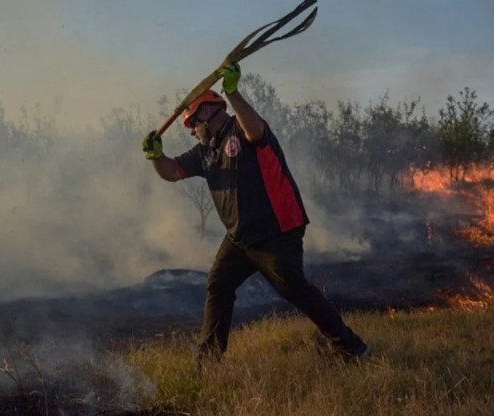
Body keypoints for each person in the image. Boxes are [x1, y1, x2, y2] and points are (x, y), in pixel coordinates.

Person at [141, 63, 370, 363]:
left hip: (276, 230)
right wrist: (157, 157)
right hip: (239, 238)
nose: (193, 131)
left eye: (193, 124)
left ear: (207, 113)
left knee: (295, 290)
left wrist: (233, 92)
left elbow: (255, 130)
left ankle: (353, 348)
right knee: (218, 286)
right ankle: (208, 362)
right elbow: (171, 172)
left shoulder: (242, 126)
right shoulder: (204, 152)